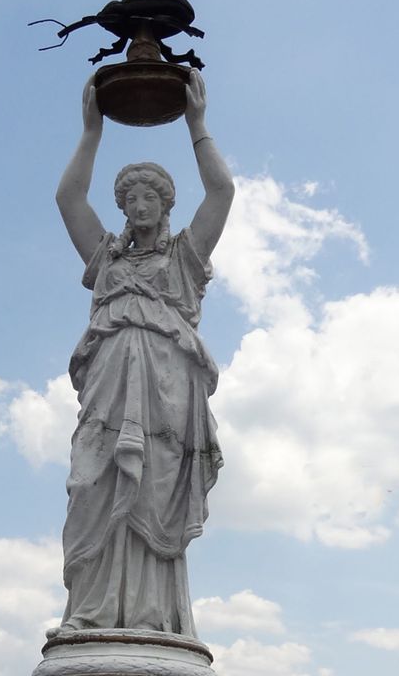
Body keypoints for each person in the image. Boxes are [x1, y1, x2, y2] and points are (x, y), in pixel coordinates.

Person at [51, 69, 234, 637]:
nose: (139, 204)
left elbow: (222, 191)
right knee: (92, 484)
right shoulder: (106, 259)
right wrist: (92, 130)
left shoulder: (184, 258)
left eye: (150, 195)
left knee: (151, 489)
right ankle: (90, 611)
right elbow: (68, 197)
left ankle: (154, 617)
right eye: (130, 197)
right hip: (108, 383)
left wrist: (197, 125)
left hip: (165, 388)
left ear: (166, 203)